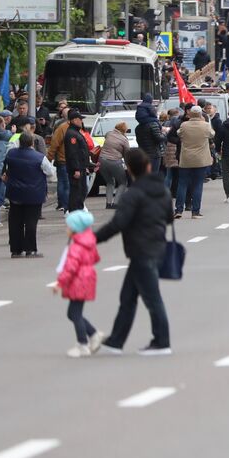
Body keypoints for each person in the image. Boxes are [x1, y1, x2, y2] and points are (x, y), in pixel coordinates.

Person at [95, 149, 173, 355]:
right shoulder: (163, 190)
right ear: (148, 166)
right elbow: (169, 218)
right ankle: (115, 341)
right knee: (127, 297)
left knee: (152, 299)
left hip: (141, 251)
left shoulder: (133, 195)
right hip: (157, 247)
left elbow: (118, 223)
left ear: (129, 170)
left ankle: (162, 341)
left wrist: (92, 239)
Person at [54, 209, 103, 358]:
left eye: (68, 227)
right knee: (74, 312)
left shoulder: (76, 247)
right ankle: (93, 334)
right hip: (88, 278)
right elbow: (95, 258)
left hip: (78, 280)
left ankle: (83, 344)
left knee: (74, 313)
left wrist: (59, 283)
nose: (66, 229)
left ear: (76, 229)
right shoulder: (88, 243)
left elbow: (70, 268)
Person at [2, 132, 48, 258]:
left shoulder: (11, 154)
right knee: (31, 222)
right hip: (34, 193)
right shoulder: (39, 157)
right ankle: (30, 249)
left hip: (15, 193)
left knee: (15, 222)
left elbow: (5, 167)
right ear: (32, 143)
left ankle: (16, 250)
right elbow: (50, 172)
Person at [174, 105, 214, 219]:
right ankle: (195, 211)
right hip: (201, 159)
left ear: (189, 114)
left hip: (186, 158)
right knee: (198, 184)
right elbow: (212, 134)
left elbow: (178, 133)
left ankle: (179, 210)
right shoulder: (205, 125)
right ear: (201, 114)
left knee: (182, 184)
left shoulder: (184, 125)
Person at [62, 110, 93, 212]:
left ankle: (78, 210)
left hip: (81, 167)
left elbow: (82, 151)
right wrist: (76, 169)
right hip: (77, 168)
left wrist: (88, 164)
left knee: (81, 191)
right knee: (77, 191)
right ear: (74, 120)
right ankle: (74, 211)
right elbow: (73, 153)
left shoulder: (76, 132)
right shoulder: (72, 134)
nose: (81, 122)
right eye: (80, 119)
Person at [98, 121, 130, 210]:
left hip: (102, 160)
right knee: (123, 182)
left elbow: (106, 138)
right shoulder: (124, 140)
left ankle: (108, 203)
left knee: (109, 182)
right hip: (114, 161)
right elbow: (127, 154)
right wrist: (128, 166)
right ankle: (116, 203)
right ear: (124, 130)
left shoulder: (108, 134)